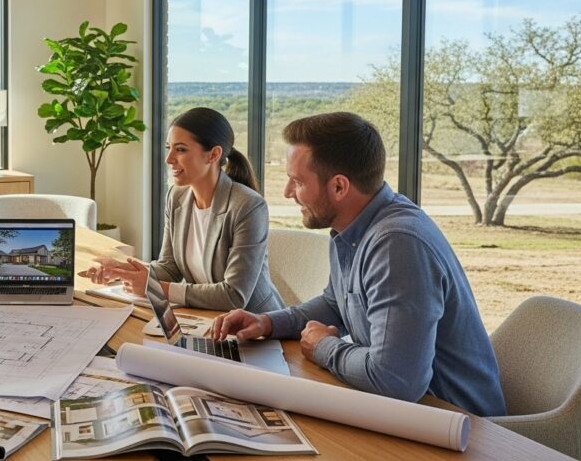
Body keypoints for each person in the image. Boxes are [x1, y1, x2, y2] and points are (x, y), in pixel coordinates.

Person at [211, 112, 506, 416]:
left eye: (297, 181)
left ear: (339, 187)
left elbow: (396, 380)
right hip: (412, 414)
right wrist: (268, 323)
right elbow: (336, 302)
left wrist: (324, 347)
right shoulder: (354, 228)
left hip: (459, 428)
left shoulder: (397, 244)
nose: (287, 192)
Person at [84, 107, 283, 312]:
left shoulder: (248, 206)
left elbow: (234, 296)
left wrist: (154, 288)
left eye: (180, 150)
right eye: (168, 148)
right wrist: (122, 270)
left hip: (255, 328)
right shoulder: (177, 197)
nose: (168, 159)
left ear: (213, 154)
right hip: (207, 320)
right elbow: (170, 268)